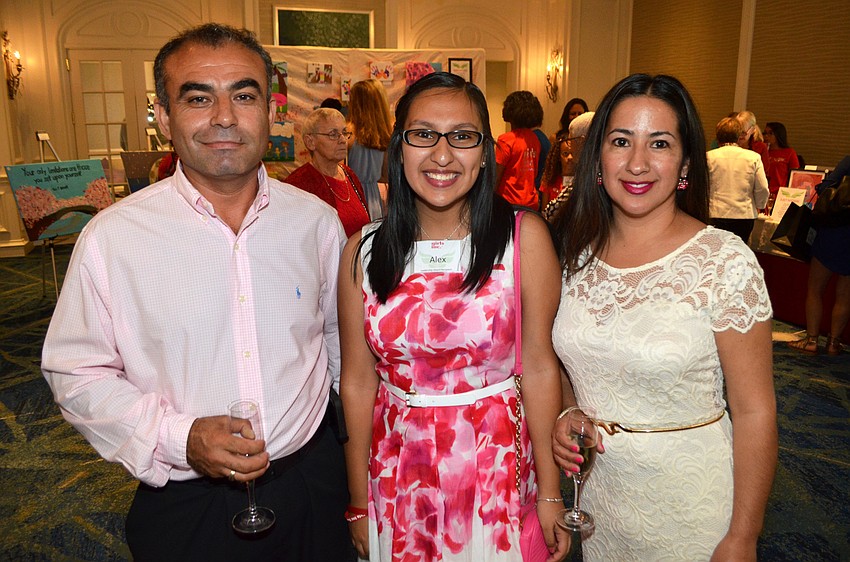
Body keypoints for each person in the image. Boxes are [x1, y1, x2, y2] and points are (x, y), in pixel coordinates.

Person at [41, 24, 354, 562]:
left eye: (244, 95)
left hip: (312, 486)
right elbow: (75, 370)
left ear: (271, 111)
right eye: (198, 98)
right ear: (163, 117)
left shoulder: (316, 224)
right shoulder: (114, 237)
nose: (225, 118)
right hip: (188, 503)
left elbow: (339, 344)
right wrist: (177, 437)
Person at [339, 72, 569, 562]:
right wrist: (359, 501)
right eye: (423, 135)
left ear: (484, 151)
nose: (442, 155)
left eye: (462, 137)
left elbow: (542, 367)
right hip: (397, 468)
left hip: (492, 468)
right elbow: (358, 381)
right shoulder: (364, 249)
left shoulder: (523, 238)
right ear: (398, 146)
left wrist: (551, 492)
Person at [550, 74, 777, 561]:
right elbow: (572, 362)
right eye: (620, 141)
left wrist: (743, 536)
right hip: (601, 504)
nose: (637, 163)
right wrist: (569, 410)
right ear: (598, 159)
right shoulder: (573, 255)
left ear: (686, 163)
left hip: (691, 509)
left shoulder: (724, 262)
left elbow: (756, 410)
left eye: (659, 143)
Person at [787, 155, 850, 355]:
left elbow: (824, 188)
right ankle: (834, 343)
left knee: (815, 289)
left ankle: (812, 340)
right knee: (845, 296)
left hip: (834, 230)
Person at [285, 108, 370, 237]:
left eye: (344, 132)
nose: (342, 140)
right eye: (333, 134)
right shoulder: (297, 184)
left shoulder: (349, 174)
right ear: (310, 142)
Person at [707, 116, 770, 242]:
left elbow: (700, 186)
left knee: (715, 252)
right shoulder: (753, 157)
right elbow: (762, 187)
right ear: (739, 135)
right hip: (744, 215)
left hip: (715, 213)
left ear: (718, 135)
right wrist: (760, 204)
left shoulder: (708, 157)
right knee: (739, 252)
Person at [347, 78, 393, 220]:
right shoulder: (387, 134)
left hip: (352, 196)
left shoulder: (348, 133)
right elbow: (386, 175)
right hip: (374, 199)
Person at [495, 90, 543, 210]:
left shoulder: (506, 140)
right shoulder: (534, 139)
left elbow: (496, 176)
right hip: (531, 202)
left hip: (509, 203)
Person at [540, 111, 594, 218]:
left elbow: (550, 212)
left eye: (570, 140)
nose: (570, 148)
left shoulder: (588, 175)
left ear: (581, 140)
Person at [764, 121, 800, 193]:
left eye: (771, 133)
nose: (766, 136)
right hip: (763, 191)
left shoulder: (789, 152)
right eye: (765, 133)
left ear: (778, 135)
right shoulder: (763, 152)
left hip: (781, 192)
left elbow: (795, 176)